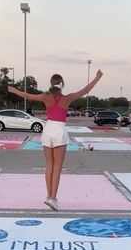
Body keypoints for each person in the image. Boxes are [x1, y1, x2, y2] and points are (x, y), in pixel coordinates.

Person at [8, 69, 103, 210]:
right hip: (59, 131)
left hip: (47, 131)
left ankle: (49, 196)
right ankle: (53, 198)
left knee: (49, 166)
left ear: (51, 84)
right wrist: (97, 78)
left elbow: (28, 96)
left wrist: (14, 90)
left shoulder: (45, 97)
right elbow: (85, 90)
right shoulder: (67, 98)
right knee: (57, 168)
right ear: (62, 84)